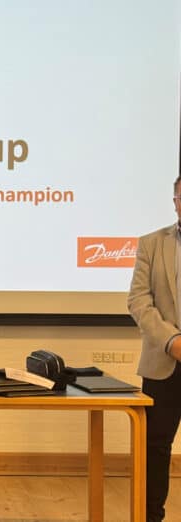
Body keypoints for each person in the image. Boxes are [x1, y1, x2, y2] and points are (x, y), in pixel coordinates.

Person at [128, 173, 181, 522]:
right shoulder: (151, 243)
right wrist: (171, 340)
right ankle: (151, 517)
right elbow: (139, 300)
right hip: (165, 361)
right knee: (156, 447)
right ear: (174, 201)